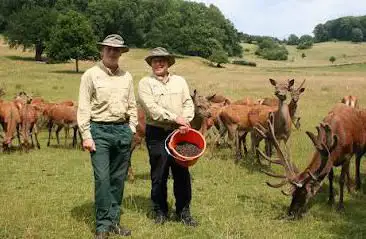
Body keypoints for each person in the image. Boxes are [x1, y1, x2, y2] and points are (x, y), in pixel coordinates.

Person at [77, 34, 137, 239]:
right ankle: (102, 226)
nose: (112, 52)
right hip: (99, 132)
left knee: (118, 179)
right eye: (108, 49)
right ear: (102, 51)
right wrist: (86, 134)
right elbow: (84, 107)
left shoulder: (127, 77)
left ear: (121, 53)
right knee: (102, 179)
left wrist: (132, 128)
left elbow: (132, 105)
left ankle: (113, 222)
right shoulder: (90, 75)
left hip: (122, 131)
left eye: (116, 49)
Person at [138, 47, 198, 227]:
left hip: (180, 131)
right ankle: (160, 211)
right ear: (151, 64)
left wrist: (185, 120)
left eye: (162, 60)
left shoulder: (180, 81)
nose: (159, 63)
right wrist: (176, 118)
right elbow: (152, 110)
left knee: (182, 173)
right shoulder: (145, 83)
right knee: (159, 173)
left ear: (168, 63)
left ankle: (183, 211)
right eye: (155, 60)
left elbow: (188, 103)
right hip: (157, 132)